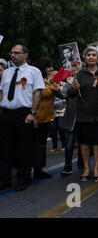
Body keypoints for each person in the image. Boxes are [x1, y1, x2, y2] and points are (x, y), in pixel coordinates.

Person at [0, 45, 45, 192]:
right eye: (11, 53)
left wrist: (32, 113)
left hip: (24, 113)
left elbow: (37, 93)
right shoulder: (6, 72)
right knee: (5, 148)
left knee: (23, 147)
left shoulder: (34, 71)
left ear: (25, 55)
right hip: (6, 113)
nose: (13, 55)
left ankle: (22, 177)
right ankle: (4, 180)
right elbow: (2, 92)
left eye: (16, 53)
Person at [68, 46, 98, 182]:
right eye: (88, 55)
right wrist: (73, 87)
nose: (91, 57)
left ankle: (96, 168)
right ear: (85, 58)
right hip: (83, 114)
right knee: (84, 143)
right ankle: (86, 168)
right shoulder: (79, 74)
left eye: (93, 55)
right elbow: (72, 94)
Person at [32, 57, 62, 179]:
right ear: (43, 68)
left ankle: (39, 169)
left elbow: (61, 94)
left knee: (42, 145)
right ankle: (26, 170)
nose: (52, 69)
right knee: (33, 145)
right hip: (35, 118)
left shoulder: (51, 79)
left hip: (47, 118)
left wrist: (57, 90)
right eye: (49, 67)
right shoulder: (35, 79)